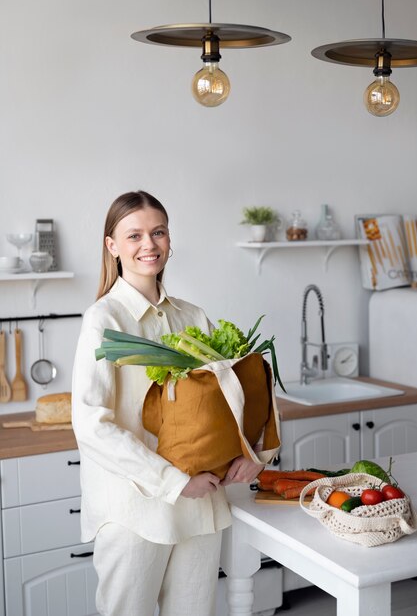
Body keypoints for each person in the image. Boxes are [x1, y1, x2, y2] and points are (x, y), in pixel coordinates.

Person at [71, 190, 264, 616]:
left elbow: (237, 392)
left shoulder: (194, 317)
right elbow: (92, 425)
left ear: (170, 239)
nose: (149, 244)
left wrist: (255, 452)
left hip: (200, 507)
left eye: (158, 232)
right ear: (112, 246)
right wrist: (175, 482)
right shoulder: (103, 321)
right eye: (134, 235)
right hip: (135, 510)